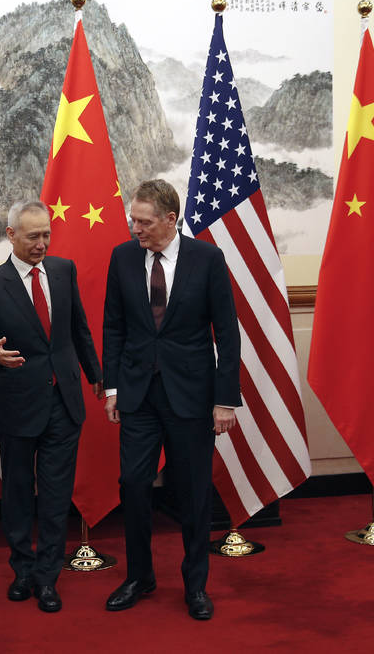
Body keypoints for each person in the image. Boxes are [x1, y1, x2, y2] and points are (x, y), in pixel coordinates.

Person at [101, 179, 240, 621]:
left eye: (143, 222)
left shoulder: (207, 259)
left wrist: (225, 399)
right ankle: (140, 576)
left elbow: (228, 332)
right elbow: (114, 326)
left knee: (194, 492)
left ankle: (195, 584)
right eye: (132, 221)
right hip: (139, 395)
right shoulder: (122, 257)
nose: (134, 229)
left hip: (193, 398)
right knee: (134, 485)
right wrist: (113, 387)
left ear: (170, 219)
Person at [0, 200, 103, 613]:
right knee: (19, 493)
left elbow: (78, 327)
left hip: (64, 401)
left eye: (46, 234)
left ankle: (47, 578)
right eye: (33, 236)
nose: (42, 243)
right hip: (18, 407)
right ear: (11, 236)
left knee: (57, 496)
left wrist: (97, 375)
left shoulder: (63, 271)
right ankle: (22, 570)